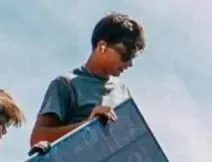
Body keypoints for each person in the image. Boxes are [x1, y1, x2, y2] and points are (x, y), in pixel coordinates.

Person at [29, 12, 147, 149]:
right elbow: (38, 138)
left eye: (133, 57)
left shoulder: (123, 93)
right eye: (127, 55)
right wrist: (88, 126)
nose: (130, 63)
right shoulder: (66, 84)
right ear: (102, 46)